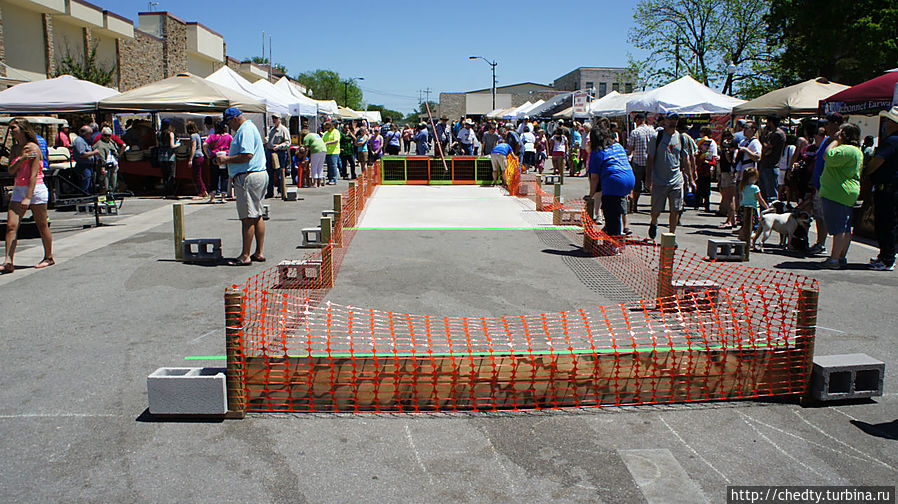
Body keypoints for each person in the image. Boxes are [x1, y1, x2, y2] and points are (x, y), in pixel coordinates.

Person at [215, 107, 269, 266]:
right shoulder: (250, 128)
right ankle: (258, 252)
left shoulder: (244, 131)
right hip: (258, 174)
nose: (229, 126)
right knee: (257, 214)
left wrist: (226, 160)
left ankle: (245, 255)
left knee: (247, 218)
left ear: (235, 118)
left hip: (248, 177)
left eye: (229, 123)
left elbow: (247, 155)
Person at [1, 118, 54, 273]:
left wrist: (28, 197)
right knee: (11, 226)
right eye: (10, 128)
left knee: (42, 225)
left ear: (23, 129)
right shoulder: (16, 149)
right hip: (19, 188)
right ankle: (8, 260)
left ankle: (48, 257)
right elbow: (11, 170)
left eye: (13, 127)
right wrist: (22, 159)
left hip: (35, 188)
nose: (11, 130)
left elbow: (33, 175)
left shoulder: (33, 148)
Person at [818, 123, 863, 269]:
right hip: (847, 191)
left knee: (838, 228)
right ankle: (841, 256)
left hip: (837, 191)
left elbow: (827, 155)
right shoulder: (856, 150)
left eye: (840, 131)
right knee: (845, 227)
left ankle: (834, 259)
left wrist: (835, 140)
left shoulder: (844, 149)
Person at [646, 112, 693, 239]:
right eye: (670, 119)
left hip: (676, 180)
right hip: (659, 180)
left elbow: (685, 159)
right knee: (655, 211)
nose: (673, 122)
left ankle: (671, 236)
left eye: (675, 119)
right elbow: (650, 159)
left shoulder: (681, 138)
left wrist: (691, 178)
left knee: (675, 209)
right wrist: (648, 179)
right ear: (665, 121)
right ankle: (654, 222)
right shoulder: (657, 137)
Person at [587, 122, 635, 237]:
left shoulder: (597, 152)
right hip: (629, 179)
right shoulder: (618, 146)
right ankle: (608, 230)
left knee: (611, 212)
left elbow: (594, 178)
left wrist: (591, 195)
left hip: (614, 181)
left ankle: (614, 243)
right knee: (613, 208)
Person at [865, 106, 898, 271]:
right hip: (892, 187)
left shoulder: (892, 141)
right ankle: (887, 255)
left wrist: (867, 170)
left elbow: (878, 161)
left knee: (885, 223)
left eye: (888, 121)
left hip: (887, 188)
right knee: (891, 223)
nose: (885, 124)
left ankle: (887, 258)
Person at [807, 113, 844, 255]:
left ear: (835, 124)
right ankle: (820, 243)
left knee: (831, 219)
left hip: (829, 185)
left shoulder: (839, 141)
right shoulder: (827, 139)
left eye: (827, 123)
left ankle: (836, 252)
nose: (825, 126)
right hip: (819, 184)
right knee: (819, 216)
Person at [627, 113, 655, 213]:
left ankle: (634, 206)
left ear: (638, 120)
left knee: (637, 185)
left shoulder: (635, 132)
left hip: (638, 161)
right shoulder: (652, 131)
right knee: (651, 185)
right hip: (651, 161)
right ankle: (654, 206)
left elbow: (630, 149)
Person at [758, 115, 786, 202]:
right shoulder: (772, 134)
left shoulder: (778, 134)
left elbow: (767, 149)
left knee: (771, 194)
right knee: (763, 193)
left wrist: (763, 137)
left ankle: (772, 213)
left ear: (771, 122)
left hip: (771, 166)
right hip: (765, 165)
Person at [204, 122, 232, 203]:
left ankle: (212, 197)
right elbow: (233, 145)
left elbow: (205, 144)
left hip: (215, 157)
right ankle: (223, 197)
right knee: (224, 177)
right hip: (225, 157)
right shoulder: (228, 136)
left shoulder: (212, 136)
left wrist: (208, 155)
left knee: (214, 177)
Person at [739, 167, 770, 241]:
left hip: (743, 208)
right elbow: (760, 199)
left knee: (744, 225)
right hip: (752, 209)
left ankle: (741, 237)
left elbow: (741, 198)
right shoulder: (755, 188)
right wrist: (767, 207)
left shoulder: (743, 186)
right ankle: (751, 238)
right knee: (754, 226)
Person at [718, 129, 739, 228]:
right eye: (725, 135)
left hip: (729, 172)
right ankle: (732, 219)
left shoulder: (733, 146)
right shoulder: (725, 146)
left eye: (729, 135)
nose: (726, 138)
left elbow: (731, 160)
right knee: (728, 198)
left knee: (729, 198)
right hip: (724, 172)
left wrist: (727, 149)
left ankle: (730, 221)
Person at [266, 115, 291, 198]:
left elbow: (288, 142)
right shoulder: (272, 130)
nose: (274, 120)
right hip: (270, 152)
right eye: (273, 118)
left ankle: (280, 191)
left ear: (280, 119)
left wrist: (279, 146)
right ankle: (270, 192)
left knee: (279, 172)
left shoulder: (283, 130)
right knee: (270, 173)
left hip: (279, 153)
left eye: (276, 118)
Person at [72, 125, 100, 195]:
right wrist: (94, 152)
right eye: (90, 133)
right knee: (85, 182)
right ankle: (83, 196)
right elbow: (82, 154)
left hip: (88, 165)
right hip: (83, 166)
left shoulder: (85, 141)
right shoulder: (79, 141)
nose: (91, 135)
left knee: (89, 182)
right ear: (85, 133)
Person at [156, 118, 180, 199]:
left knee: (165, 175)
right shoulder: (170, 134)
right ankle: (171, 192)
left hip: (161, 156)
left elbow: (157, 145)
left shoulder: (158, 134)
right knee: (171, 175)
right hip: (170, 156)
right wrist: (178, 144)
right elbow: (172, 146)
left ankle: (166, 192)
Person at [95, 127, 122, 195]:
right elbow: (100, 157)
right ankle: (104, 198)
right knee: (105, 185)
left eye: (109, 135)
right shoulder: (100, 144)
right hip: (105, 166)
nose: (107, 137)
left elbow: (116, 150)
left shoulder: (111, 142)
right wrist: (102, 167)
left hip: (113, 164)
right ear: (102, 135)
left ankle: (111, 196)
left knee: (113, 183)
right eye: (105, 135)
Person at [321, 121, 341, 185]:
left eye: (328, 127)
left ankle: (334, 179)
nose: (327, 129)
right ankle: (330, 178)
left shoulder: (335, 132)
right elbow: (322, 140)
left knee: (333, 165)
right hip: (327, 152)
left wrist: (327, 143)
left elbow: (336, 140)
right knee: (329, 166)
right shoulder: (326, 133)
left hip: (334, 151)